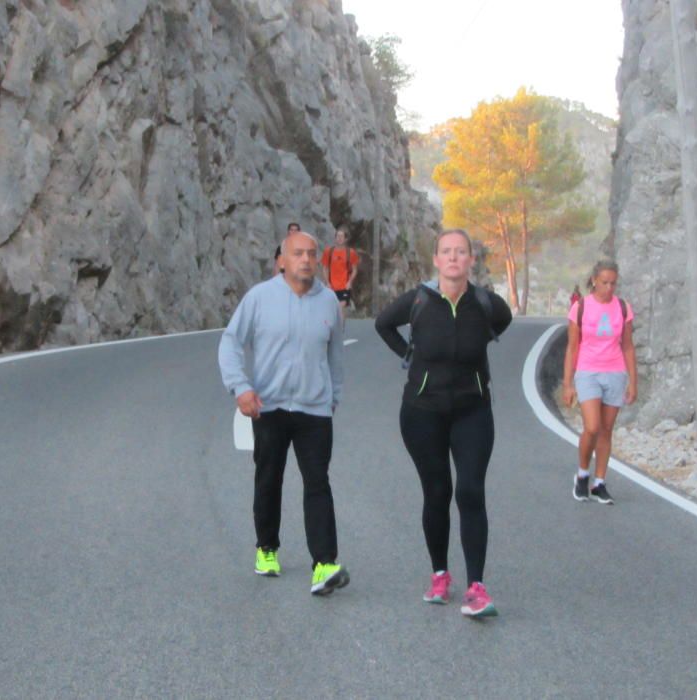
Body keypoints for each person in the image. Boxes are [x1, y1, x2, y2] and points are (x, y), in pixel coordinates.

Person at [375, 229, 512, 618]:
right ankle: (440, 575)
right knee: (437, 492)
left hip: (473, 410)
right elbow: (383, 324)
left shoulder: (485, 303)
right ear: (435, 260)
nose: (453, 258)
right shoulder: (419, 299)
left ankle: (477, 588)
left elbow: (502, 322)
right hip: (422, 410)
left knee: (470, 491)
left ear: (471, 260)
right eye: (446, 252)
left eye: (461, 252)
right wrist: (409, 355)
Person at [219, 230, 350, 596]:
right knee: (269, 478)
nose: (305, 260)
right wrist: (240, 387)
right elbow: (230, 342)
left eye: (311, 253)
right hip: (270, 407)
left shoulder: (328, 303)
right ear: (282, 260)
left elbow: (335, 355)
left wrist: (332, 397)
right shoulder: (259, 298)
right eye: (297, 254)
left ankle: (324, 563)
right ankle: (267, 548)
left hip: (315, 410)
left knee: (318, 482)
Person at [562, 260, 637, 505]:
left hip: (615, 373)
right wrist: (568, 383)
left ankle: (600, 483)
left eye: (613, 283)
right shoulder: (581, 308)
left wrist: (633, 382)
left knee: (606, 430)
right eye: (604, 282)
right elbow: (572, 348)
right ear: (594, 280)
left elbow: (627, 346)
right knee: (592, 427)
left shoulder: (623, 308)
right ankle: (583, 474)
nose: (609, 287)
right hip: (587, 372)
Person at [321, 226, 359, 316]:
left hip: (344, 286)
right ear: (335, 238)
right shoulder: (328, 252)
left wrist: (350, 282)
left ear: (345, 239)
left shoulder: (351, 252)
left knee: (341, 308)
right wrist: (327, 282)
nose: (339, 239)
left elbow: (355, 270)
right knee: (331, 309)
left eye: (341, 237)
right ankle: (333, 328)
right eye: (337, 236)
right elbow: (325, 268)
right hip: (331, 286)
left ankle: (340, 329)